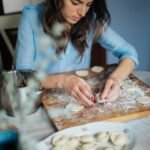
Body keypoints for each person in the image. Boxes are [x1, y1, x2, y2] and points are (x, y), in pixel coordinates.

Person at [15, 0, 138, 108]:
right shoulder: (31, 16)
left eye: (88, 4)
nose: (82, 13)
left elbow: (129, 53)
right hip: (39, 103)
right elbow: (22, 75)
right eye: (75, 2)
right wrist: (62, 81)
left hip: (80, 101)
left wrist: (115, 80)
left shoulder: (91, 20)